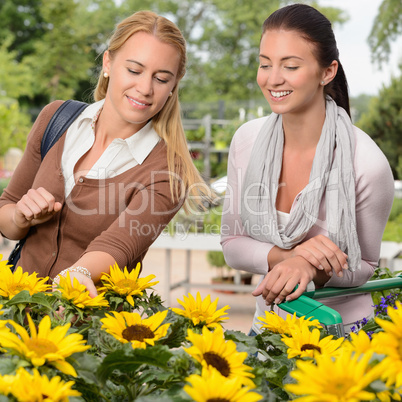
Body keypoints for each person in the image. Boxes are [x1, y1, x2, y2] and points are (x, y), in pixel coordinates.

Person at [0, 10, 207, 297]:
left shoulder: (170, 170)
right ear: (108, 62)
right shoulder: (55, 119)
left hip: (94, 330)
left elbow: (120, 244)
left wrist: (79, 272)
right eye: (134, 70)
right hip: (14, 314)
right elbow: (7, 210)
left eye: (161, 78)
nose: (145, 88)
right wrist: (21, 218)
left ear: (173, 85)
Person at [221, 3, 395, 334]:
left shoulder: (366, 164)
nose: (273, 79)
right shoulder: (247, 141)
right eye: (265, 64)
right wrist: (292, 256)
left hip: (342, 334)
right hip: (268, 328)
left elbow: (366, 265)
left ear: (327, 71)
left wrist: (308, 267)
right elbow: (232, 245)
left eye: (290, 66)